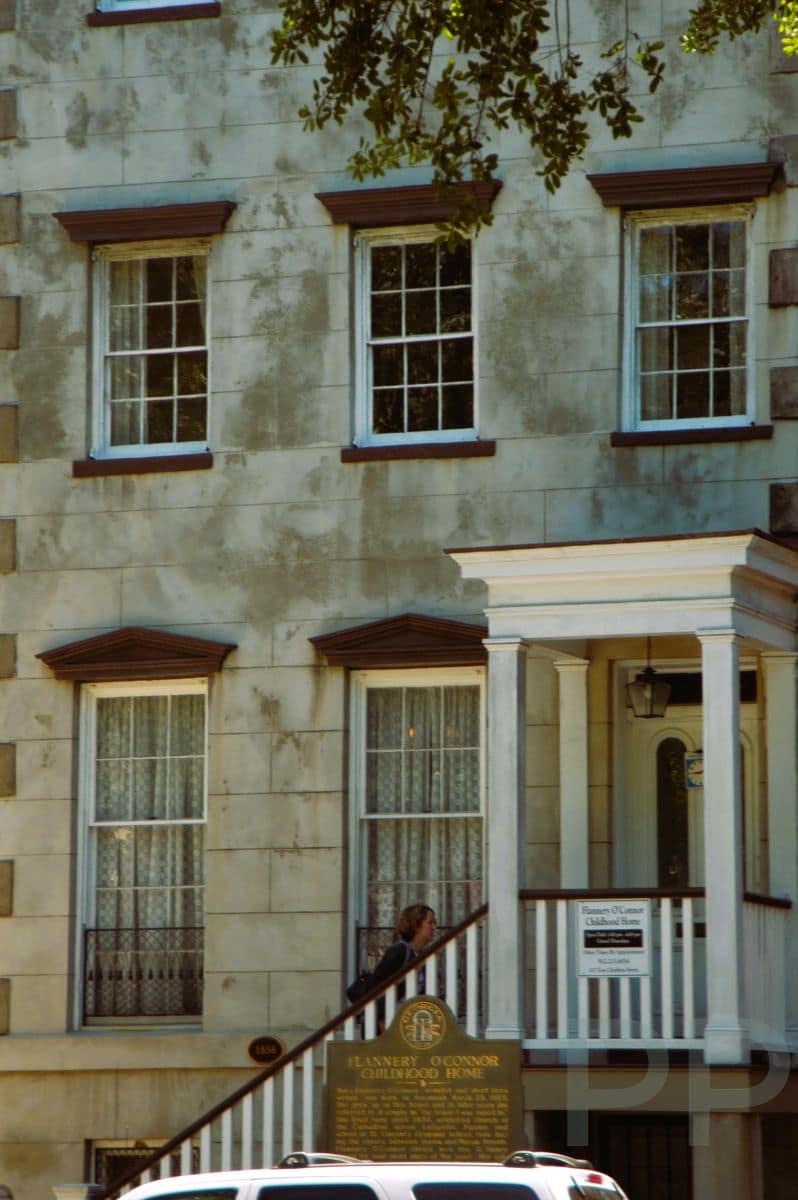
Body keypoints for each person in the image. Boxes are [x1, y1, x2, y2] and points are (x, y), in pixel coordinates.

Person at [368, 903, 437, 1027]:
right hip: (388, 1027)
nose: (434, 927)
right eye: (430, 922)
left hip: (408, 1026)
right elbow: (377, 987)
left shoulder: (422, 956)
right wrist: (382, 1023)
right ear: (416, 925)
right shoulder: (398, 951)